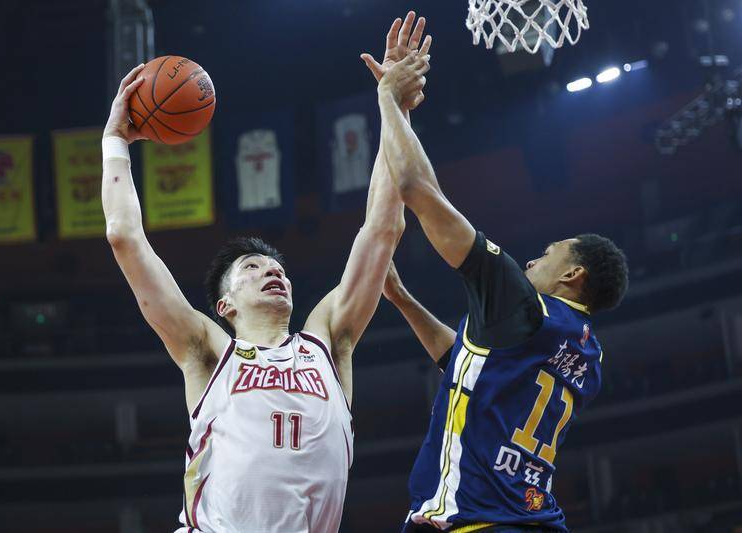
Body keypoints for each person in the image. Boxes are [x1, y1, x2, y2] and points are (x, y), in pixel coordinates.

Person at [99, 19, 430, 533]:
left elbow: (382, 229)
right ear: (225, 305)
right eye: (251, 268)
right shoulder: (207, 350)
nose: (271, 271)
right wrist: (115, 139)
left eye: (276, 268)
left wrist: (395, 107)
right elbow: (124, 236)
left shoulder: (328, 339)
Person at [363, 14, 630, 532]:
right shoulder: (586, 352)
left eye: (548, 254)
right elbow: (469, 363)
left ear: (573, 274)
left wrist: (389, 100)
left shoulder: (521, 306)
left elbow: (416, 187)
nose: (531, 261)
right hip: (530, 519)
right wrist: (403, 299)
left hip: (482, 521)